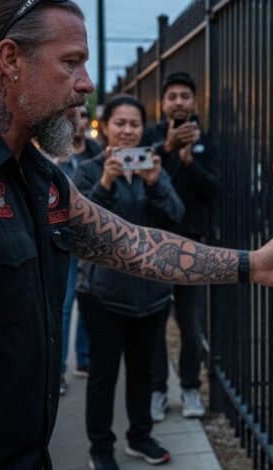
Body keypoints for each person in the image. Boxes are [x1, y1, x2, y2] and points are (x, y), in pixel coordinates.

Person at [0, 1, 273, 468]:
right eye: (71, 62)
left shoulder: (35, 173)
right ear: (10, 59)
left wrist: (251, 264)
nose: (86, 82)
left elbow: (134, 244)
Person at [73, 94, 185, 467]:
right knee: (103, 375)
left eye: (134, 124)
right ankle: (100, 449)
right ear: (105, 128)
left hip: (152, 294)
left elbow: (175, 216)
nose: (127, 130)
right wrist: (106, 182)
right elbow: (81, 230)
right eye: (119, 123)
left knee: (143, 371)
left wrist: (154, 183)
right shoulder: (88, 170)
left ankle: (141, 437)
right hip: (103, 294)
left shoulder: (153, 167)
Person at [148, 71, 220, 422]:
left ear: (194, 100)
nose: (178, 102)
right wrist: (167, 148)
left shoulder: (207, 139)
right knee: (154, 324)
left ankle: (191, 387)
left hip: (192, 245)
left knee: (191, 326)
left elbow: (214, 189)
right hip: (152, 244)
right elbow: (140, 180)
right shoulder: (151, 137)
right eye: (172, 96)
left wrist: (190, 162)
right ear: (163, 103)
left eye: (184, 96)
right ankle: (157, 390)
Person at [58, 104, 100, 396]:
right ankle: (58, 370)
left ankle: (84, 359)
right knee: (64, 305)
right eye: (74, 112)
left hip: (91, 238)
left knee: (88, 300)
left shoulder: (98, 152)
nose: (79, 119)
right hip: (63, 238)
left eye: (85, 114)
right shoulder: (52, 149)